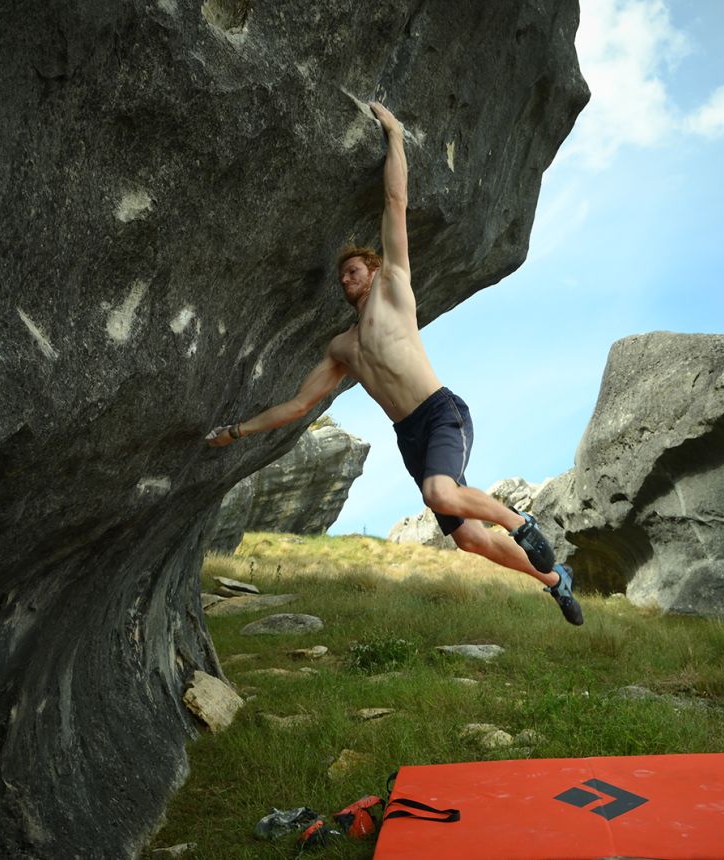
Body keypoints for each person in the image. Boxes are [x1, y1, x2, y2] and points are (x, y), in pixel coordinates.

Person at [205, 102, 582, 625]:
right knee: (469, 539)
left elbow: (395, 200)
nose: (347, 279)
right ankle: (553, 579)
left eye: (354, 269)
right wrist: (236, 431)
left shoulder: (394, 288)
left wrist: (396, 135)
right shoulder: (342, 348)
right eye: (342, 277)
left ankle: (522, 523)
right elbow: (297, 406)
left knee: (439, 492)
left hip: (439, 412)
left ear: (374, 267)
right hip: (409, 435)